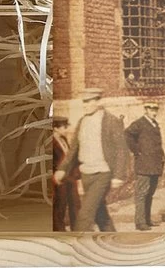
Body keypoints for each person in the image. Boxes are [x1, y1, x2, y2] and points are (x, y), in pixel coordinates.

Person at [55, 88, 128, 232]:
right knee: (100, 214)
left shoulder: (111, 121)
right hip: (86, 173)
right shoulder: (82, 121)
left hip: (103, 173)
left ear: (98, 102)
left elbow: (121, 149)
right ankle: (114, 242)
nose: (86, 105)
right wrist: (62, 169)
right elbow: (73, 150)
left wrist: (118, 175)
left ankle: (77, 247)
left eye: (90, 102)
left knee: (85, 214)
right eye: (84, 102)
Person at [124, 101, 165, 230]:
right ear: (146, 110)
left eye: (155, 110)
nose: (154, 112)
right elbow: (127, 134)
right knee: (141, 193)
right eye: (151, 110)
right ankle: (140, 222)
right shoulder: (140, 123)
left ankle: (147, 220)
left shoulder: (154, 124)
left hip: (154, 164)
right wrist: (137, 151)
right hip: (144, 165)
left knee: (149, 193)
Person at [52, 116, 80, 232]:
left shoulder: (63, 139)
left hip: (69, 176)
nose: (66, 129)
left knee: (75, 203)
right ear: (55, 128)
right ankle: (59, 230)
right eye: (64, 127)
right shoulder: (50, 142)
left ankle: (77, 229)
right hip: (58, 179)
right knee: (60, 205)